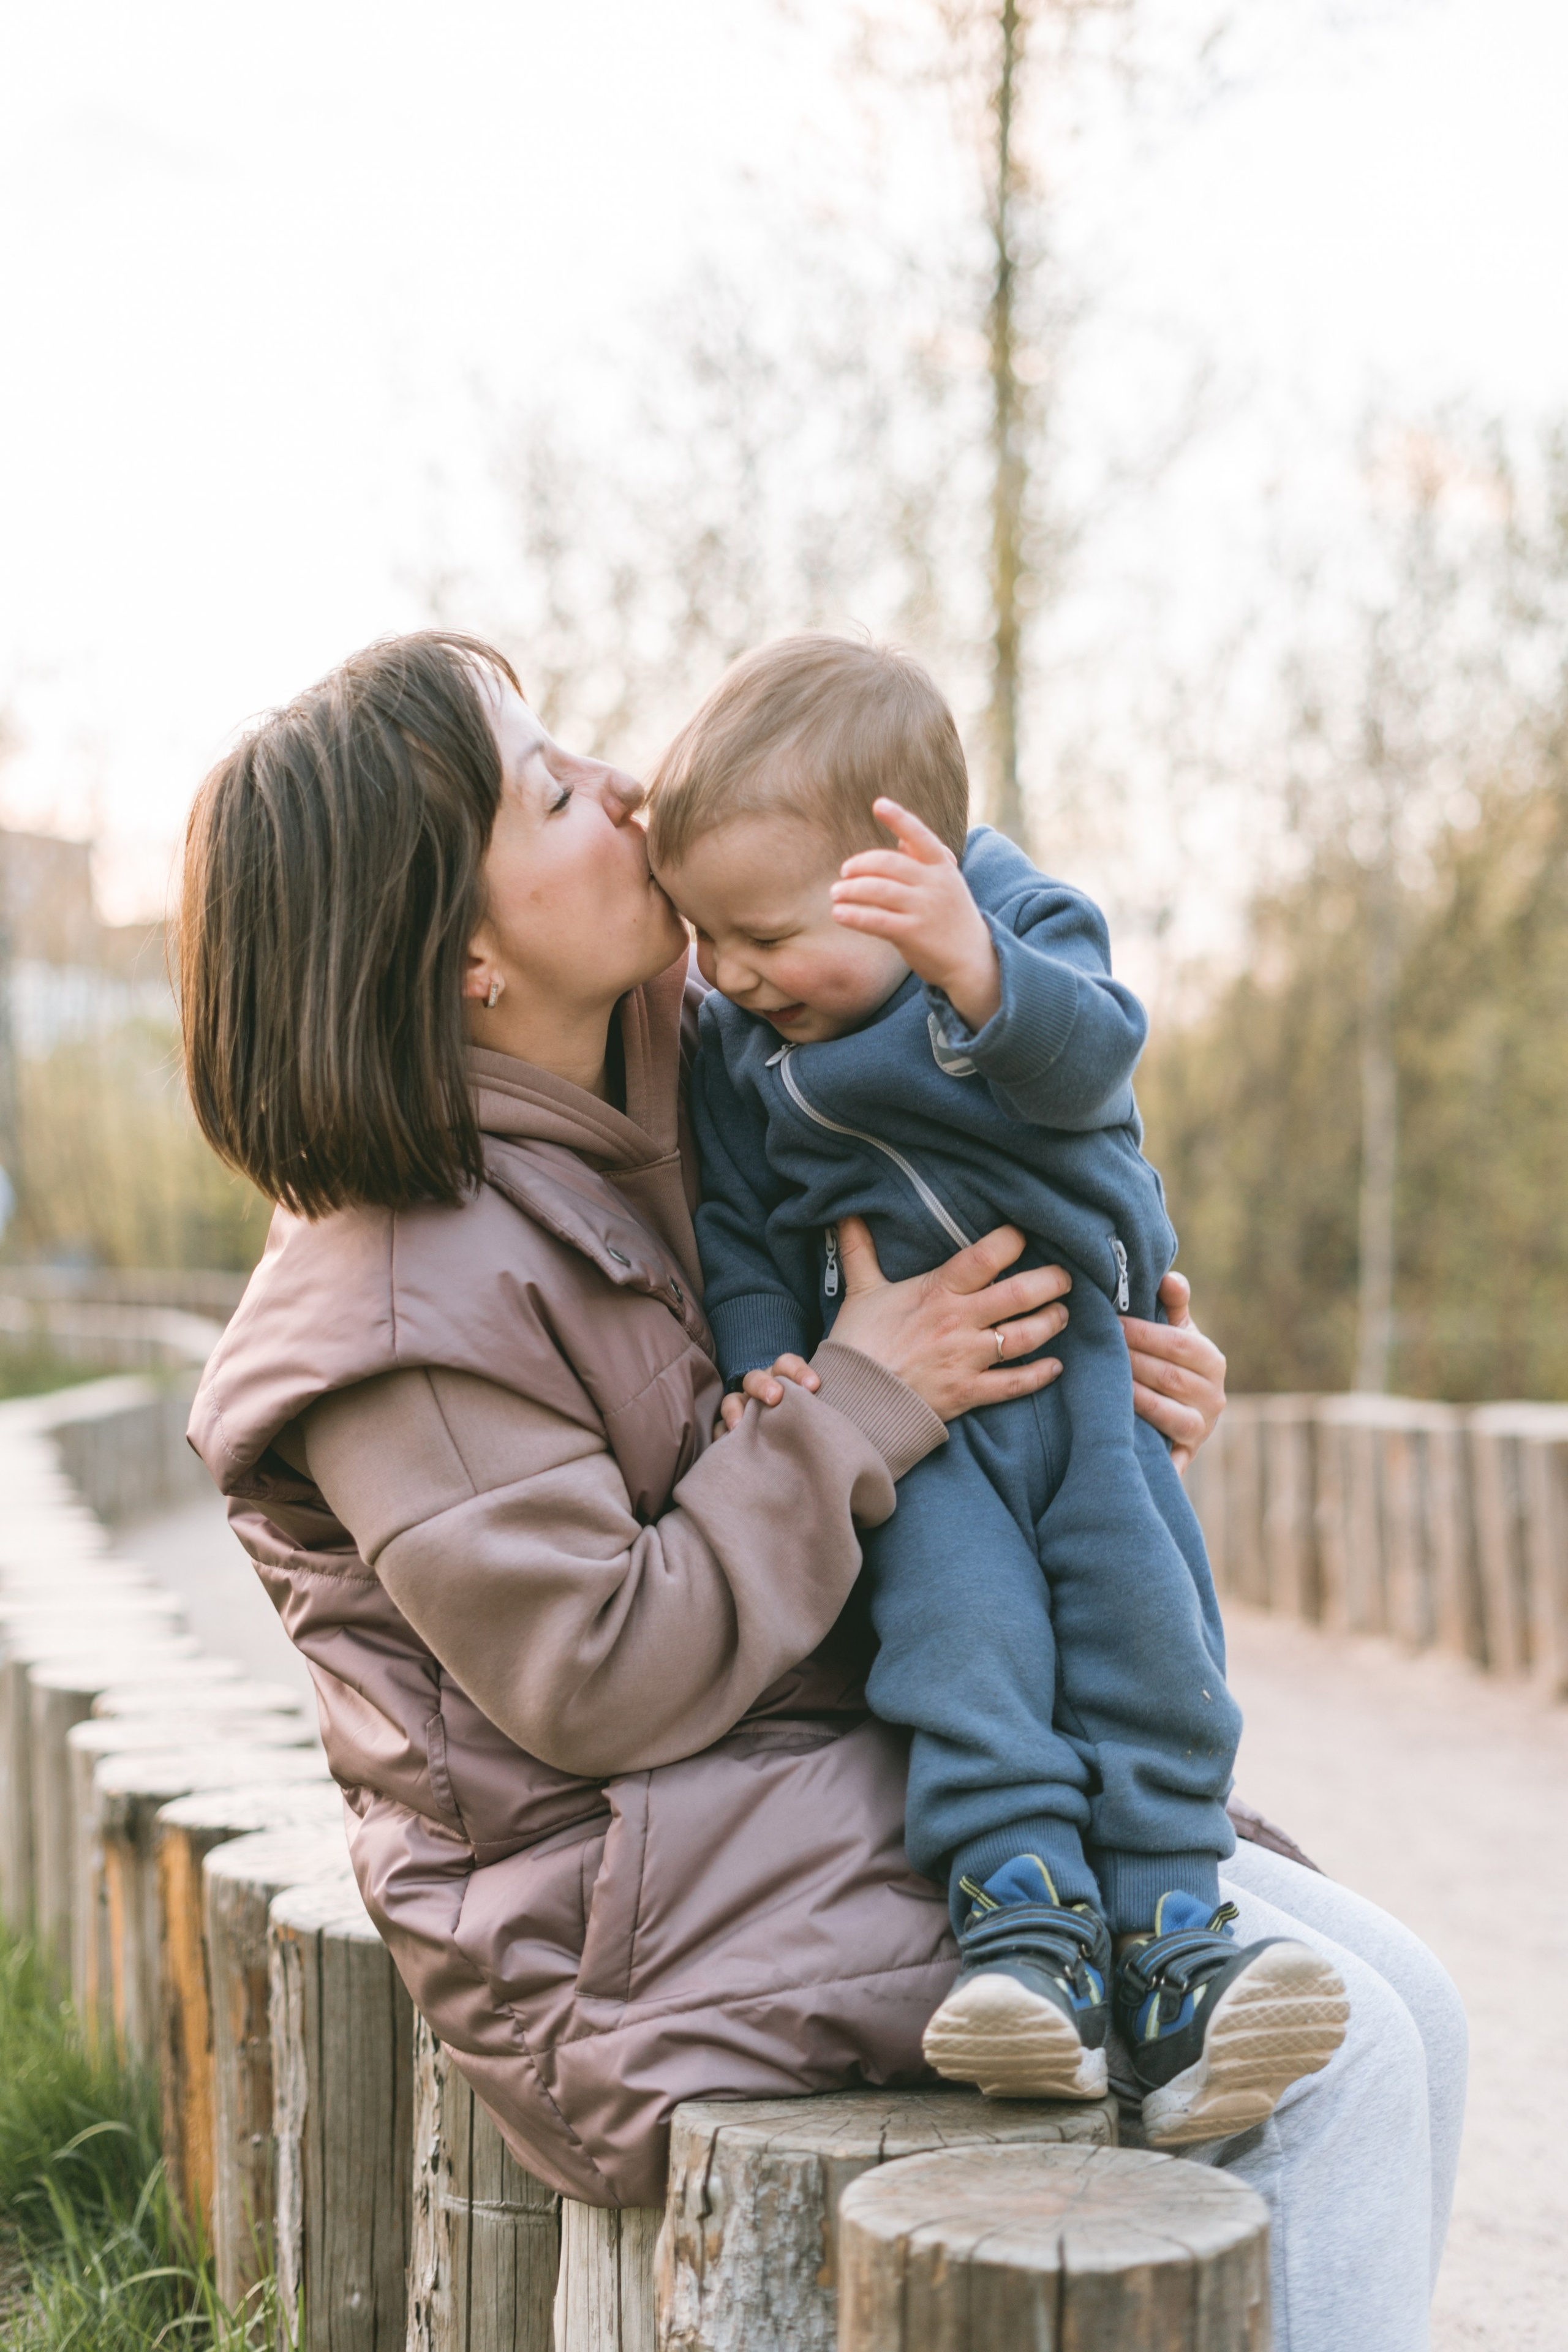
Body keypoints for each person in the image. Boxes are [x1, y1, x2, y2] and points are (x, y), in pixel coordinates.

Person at [181, 630, 1464, 2351]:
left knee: (1413, 2002)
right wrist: (870, 1398)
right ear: (466, 957)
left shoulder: (689, 1056)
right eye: (549, 792)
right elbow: (596, 1673)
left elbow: (982, 1165)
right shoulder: (400, 1310)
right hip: (635, 1910)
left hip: (821, 1776)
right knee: (1340, 2063)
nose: (624, 789)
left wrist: (1101, 1352)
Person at [645, 633, 1348, 2147]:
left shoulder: (1015, 924)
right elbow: (738, 1227)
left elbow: (1094, 1063)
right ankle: (1024, 1938)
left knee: (1143, 1633)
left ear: (901, 870)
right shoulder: (737, 1044)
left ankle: (1175, 1941)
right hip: (920, 1418)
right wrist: (768, 1354)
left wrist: (975, 966)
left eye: (762, 934)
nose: (729, 973)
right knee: (959, 1641)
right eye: (701, 934)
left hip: (1079, 1376)